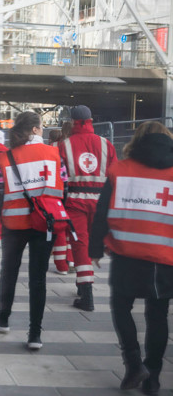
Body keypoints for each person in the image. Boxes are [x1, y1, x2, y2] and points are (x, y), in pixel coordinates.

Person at [89, 121, 173, 394]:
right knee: (157, 315)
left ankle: (134, 363)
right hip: (165, 257)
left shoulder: (120, 170)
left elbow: (101, 213)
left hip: (126, 253)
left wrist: (94, 249)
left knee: (121, 307)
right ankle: (153, 378)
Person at [0, 111, 64, 350]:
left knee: (9, 271)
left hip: (14, 224)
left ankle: (3, 317)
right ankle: (35, 335)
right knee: (38, 279)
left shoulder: (5, 157)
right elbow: (64, 186)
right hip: (45, 223)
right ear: (35, 130)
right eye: (41, 126)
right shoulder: (54, 154)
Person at [57, 105, 117, 311]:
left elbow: (60, 178)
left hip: (75, 201)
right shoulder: (106, 144)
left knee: (79, 244)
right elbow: (114, 177)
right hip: (100, 201)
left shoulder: (64, 145)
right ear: (90, 120)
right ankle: (85, 284)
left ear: (73, 122)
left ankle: (86, 291)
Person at [48, 128, 74, 275]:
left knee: (59, 228)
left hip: (57, 191)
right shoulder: (72, 147)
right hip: (74, 191)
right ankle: (71, 260)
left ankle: (61, 265)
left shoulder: (52, 148)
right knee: (71, 228)